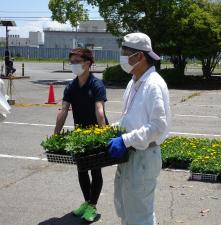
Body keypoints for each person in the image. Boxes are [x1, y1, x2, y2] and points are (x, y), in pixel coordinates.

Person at [107, 33, 171, 225]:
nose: (123, 57)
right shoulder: (134, 82)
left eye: (126, 53)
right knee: (126, 210)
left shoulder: (153, 84)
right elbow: (130, 119)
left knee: (140, 216)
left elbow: (159, 126)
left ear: (140, 56)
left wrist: (125, 140)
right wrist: (110, 131)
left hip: (143, 156)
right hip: (130, 155)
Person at [54, 48, 108, 222]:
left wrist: (103, 135)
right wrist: (56, 134)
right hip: (80, 134)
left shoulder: (96, 84)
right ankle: (87, 202)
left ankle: (93, 206)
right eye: (72, 61)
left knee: (95, 170)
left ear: (88, 63)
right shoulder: (71, 86)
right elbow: (63, 111)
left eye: (77, 61)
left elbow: (100, 110)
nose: (74, 65)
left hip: (96, 132)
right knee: (82, 169)